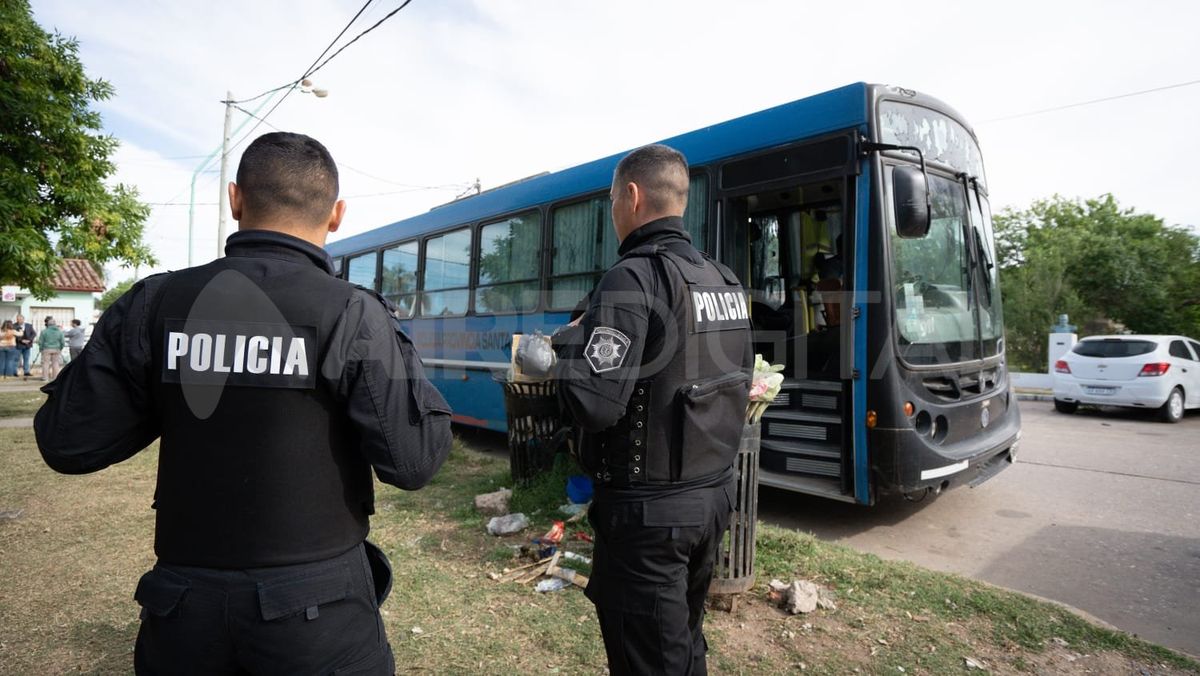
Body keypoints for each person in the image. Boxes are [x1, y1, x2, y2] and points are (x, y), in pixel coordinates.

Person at [35, 132, 454, 675]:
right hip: (319, 619)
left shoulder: (154, 302)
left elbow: (68, 442)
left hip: (182, 611)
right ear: (336, 215)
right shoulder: (353, 313)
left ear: (235, 200)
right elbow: (415, 461)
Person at [552, 144, 753, 675]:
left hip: (649, 520)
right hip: (711, 502)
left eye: (613, 200)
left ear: (633, 197)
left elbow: (593, 405)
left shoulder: (632, 277)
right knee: (683, 647)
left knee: (649, 659)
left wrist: (566, 347)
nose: (614, 211)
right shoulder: (724, 281)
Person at [14, 314, 35, 379]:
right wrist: (21, 340)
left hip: (27, 346)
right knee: (16, 359)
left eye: (20, 319)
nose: (19, 320)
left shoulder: (29, 325)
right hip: (18, 345)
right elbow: (14, 335)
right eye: (18, 319)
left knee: (26, 359)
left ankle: (26, 372)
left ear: (23, 319)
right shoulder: (14, 326)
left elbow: (34, 333)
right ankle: (15, 372)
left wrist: (29, 340)